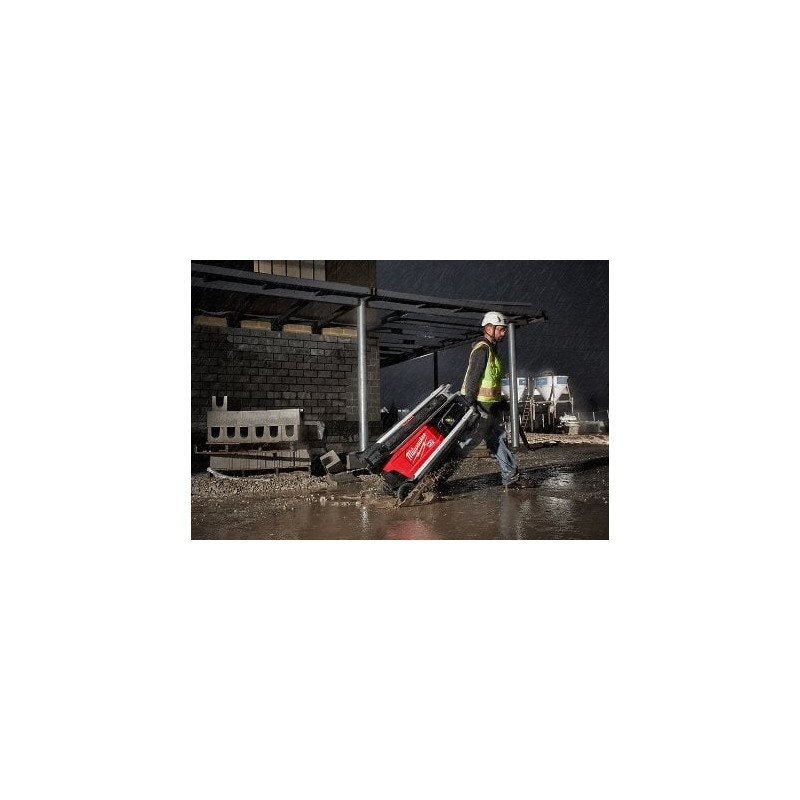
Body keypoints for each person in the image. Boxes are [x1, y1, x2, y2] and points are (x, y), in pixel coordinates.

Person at [435, 312, 521, 493]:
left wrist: (500, 401)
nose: (504, 333)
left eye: (504, 330)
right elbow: (473, 379)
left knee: (497, 439)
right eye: (501, 329)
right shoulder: (482, 350)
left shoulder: (492, 350)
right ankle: (435, 476)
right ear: (489, 328)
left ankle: (510, 475)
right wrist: (470, 404)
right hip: (479, 407)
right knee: (466, 443)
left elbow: (490, 381)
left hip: (490, 407)